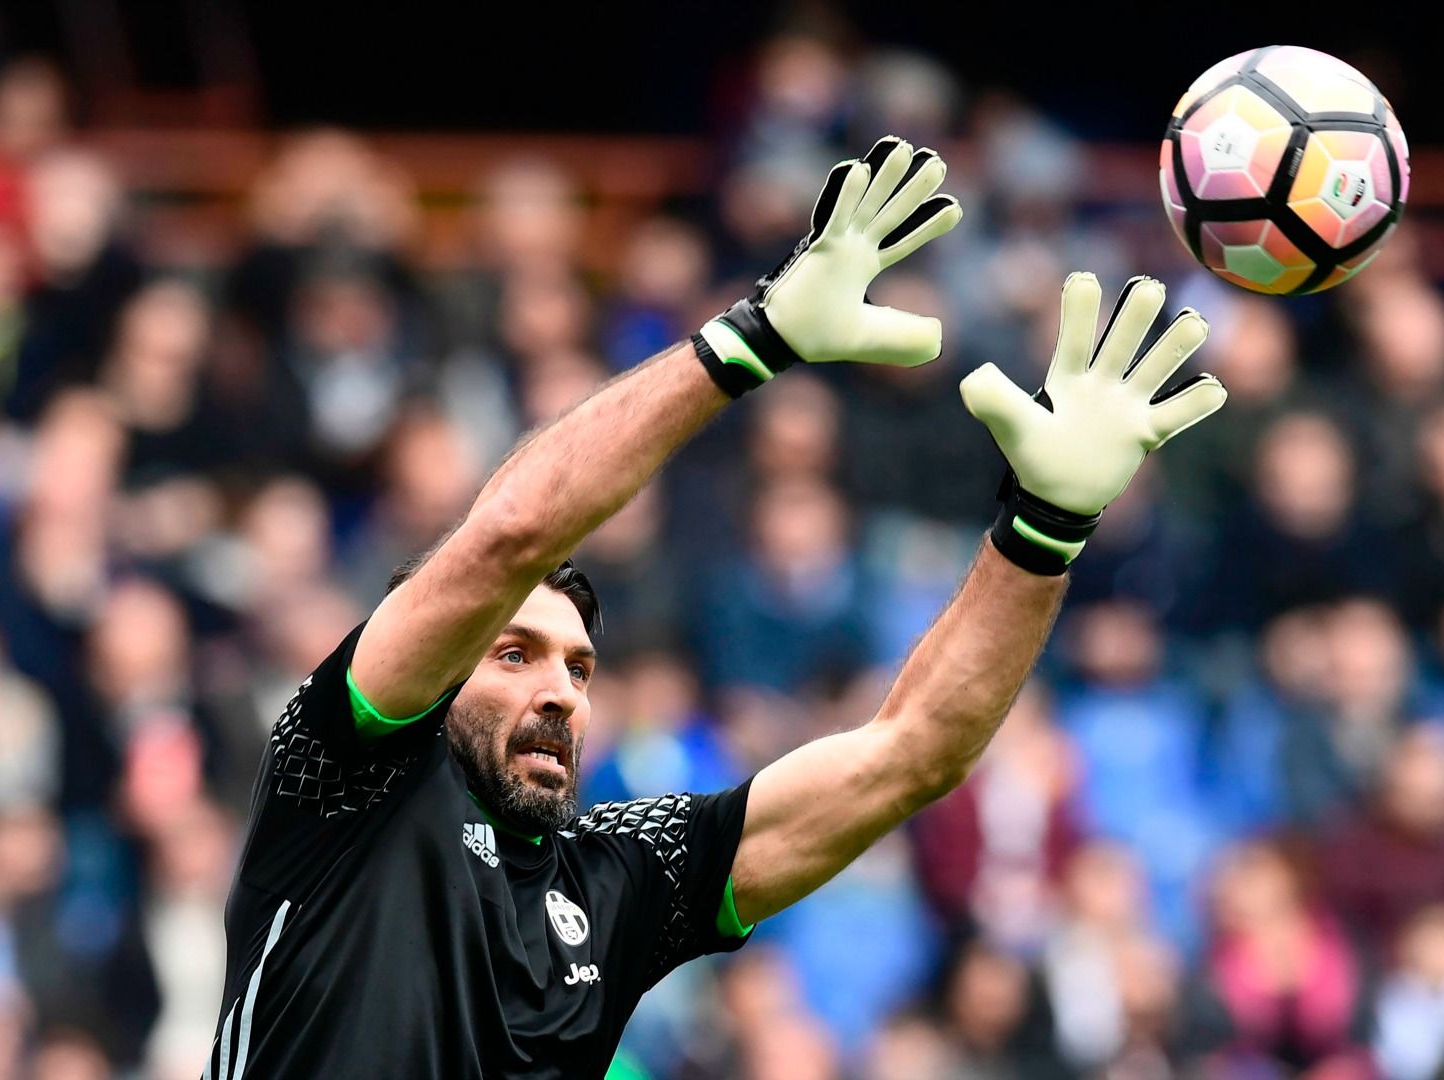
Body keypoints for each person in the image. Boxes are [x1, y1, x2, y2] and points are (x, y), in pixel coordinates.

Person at [204, 137, 1228, 1078]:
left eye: (580, 665)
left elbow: (914, 751)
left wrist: (1043, 531)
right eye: (514, 653)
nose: (560, 688)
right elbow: (509, 534)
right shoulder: (344, 779)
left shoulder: (613, 881)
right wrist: (756, 337)